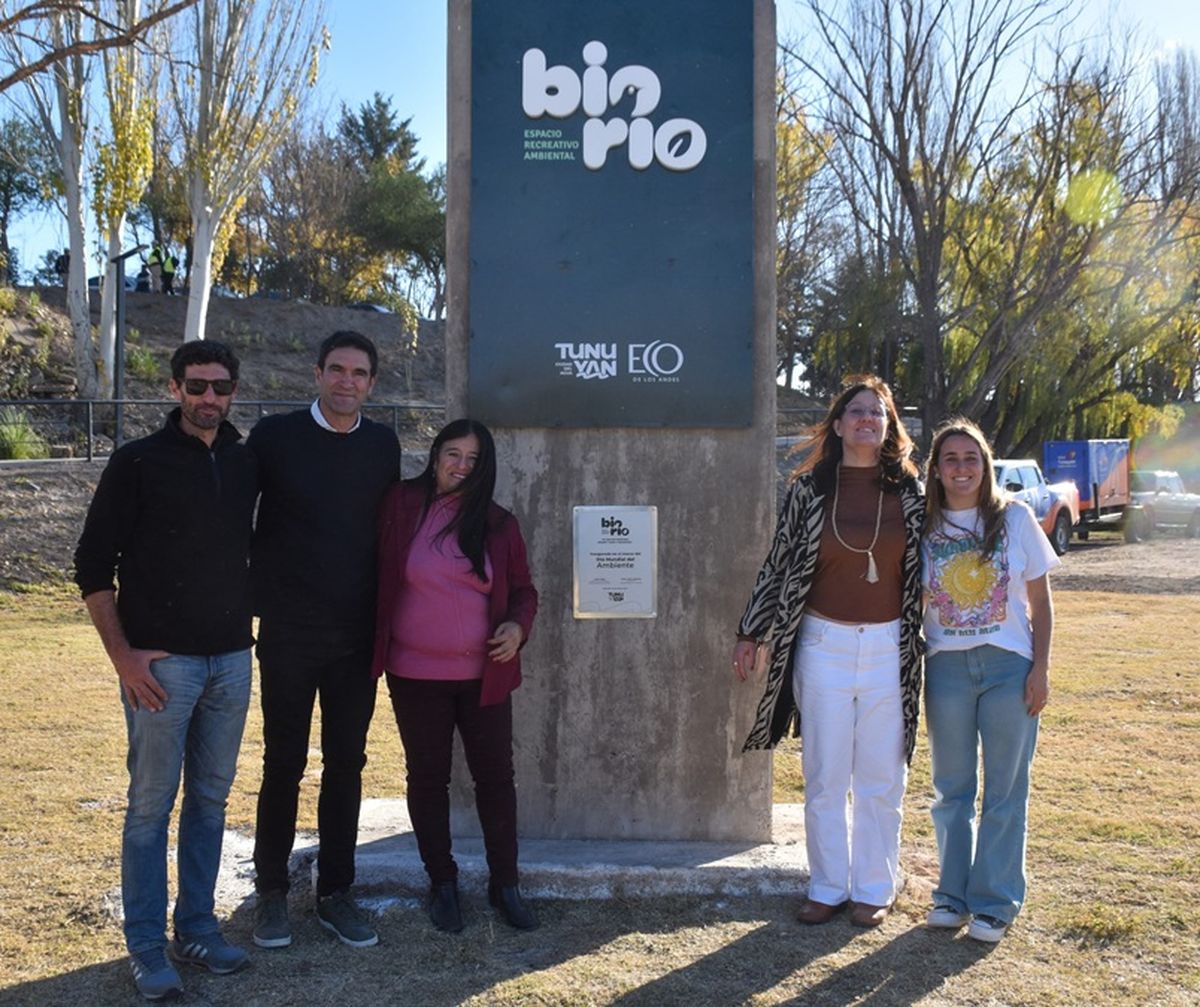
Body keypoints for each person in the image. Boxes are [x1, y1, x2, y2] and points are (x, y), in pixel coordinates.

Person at [73, 341, 258, 1000]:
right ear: (175, 388)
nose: (210, 397)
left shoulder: (245, 461)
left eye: (221, 386)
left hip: (232, 659)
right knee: (151, 807)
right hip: (162, 666)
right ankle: (147, 946)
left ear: (233, 392)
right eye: (197, 385)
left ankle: (199, 929)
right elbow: (92, 564)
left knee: (210, 801)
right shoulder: (137, 462)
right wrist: (122, 656)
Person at [732, 375, 924, 928]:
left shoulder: (911, 493)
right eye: (857, 410)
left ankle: (874, 888)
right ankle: (827, 886)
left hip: (890, 648)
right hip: (822, 645)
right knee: (824, 775)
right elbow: (778, 561)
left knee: (881, 778)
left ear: (889, 427)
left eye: (877, 412)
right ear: (838, 425)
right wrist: (751, 631)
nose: (867, 419)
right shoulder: (808, 490)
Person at [248, 331, 401, 950]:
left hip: (355, 638)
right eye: (336, 369)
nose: (346, 381)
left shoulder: (382, 445)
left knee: (347, 764)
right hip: (288, 633)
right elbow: (234, 515)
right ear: (316, 374)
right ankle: (271, 893)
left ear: (371, 383)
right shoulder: (274, 437)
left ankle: (337, 892)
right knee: (282, 763)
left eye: (359, 373)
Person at [371, 419, 540, 933]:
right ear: (435, 454)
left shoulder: (498, 523)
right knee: (428, 779)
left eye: (473, 459)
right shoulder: (401, 504)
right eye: (453, 454)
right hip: (414, 675)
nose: (461, 466)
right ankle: (441, 883)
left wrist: (517, 626)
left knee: (496, 779)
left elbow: (524, 592)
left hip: (484, 676)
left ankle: (505, 884)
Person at [920, 419, 1058, 943]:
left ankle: (995, 902)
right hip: (947, 669)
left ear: (985, 464)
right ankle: (951, 897)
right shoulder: (924, 527)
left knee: (1005, 789)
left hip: (1008, 667)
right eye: (950, 459)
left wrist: (1040, 668)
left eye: (971, 458)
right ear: (936, 469)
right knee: (951, 789)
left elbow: (1041, 602)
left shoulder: (1015, 518)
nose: (961, 468)